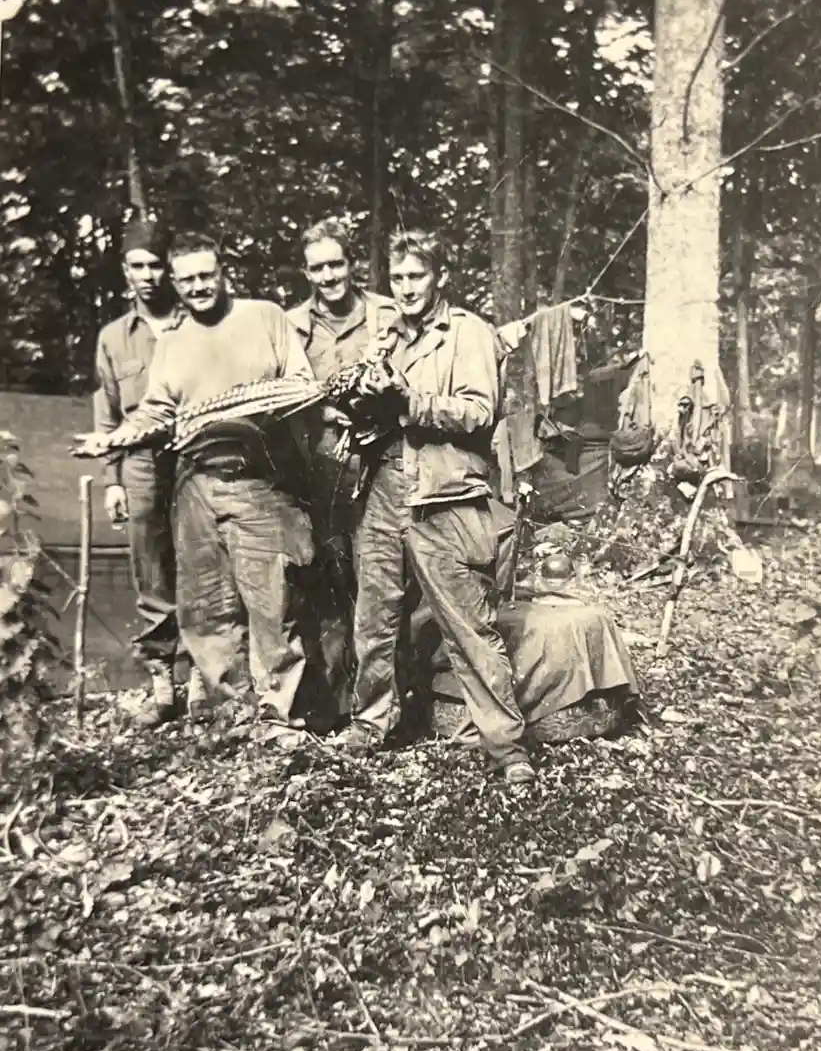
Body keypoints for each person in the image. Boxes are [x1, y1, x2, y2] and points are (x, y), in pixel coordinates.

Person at [80, 232, 324, 725]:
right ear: (176, 283)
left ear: (222, 272)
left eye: (205, 275)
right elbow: (156, 409)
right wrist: (111, 441)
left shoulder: (266, 318)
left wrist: (253, 406)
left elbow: (303, 384)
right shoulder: (171, 344)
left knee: (271, 600)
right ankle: (234, 714)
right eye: (187, 279)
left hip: (260, 481)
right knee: (208, 606)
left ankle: (278, 714)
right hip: (196, 487)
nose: (198, 286)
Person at [337, 227, 535, 785]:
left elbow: (478, 412)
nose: (405, 287)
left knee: (468, 623)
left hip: (442, 493)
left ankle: (507, 746)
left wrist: (406, 402)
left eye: (415, 276)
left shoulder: (467, 332)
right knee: (373, 615)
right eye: (397, 278)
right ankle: (371, 723)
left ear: (440, 277)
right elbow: (372, 411)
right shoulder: (389, 336)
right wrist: (359, 402)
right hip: (382, 486)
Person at [93, 219, 200, 726]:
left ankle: (204, 673)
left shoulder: (197, 322)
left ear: (171, 270)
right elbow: (108, 411)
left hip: (195, 455)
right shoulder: (115, 337)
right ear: (125, 272)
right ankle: (163, 680)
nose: (149, 276)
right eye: (138, 266)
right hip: (139, 463)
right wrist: (113, 478)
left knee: (202, 560)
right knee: (151, 566)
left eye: (157, 265)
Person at [287, 218, 398, 560]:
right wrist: (319, 411)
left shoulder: (386, 313)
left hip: (382, 454)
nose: (329, 276)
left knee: (383, 554)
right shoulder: (292, 325)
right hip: (320, 457)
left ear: (352, 263)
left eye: (336, 264)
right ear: (306, 273)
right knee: (328, 553)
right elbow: (284, 392)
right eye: (317, 268)